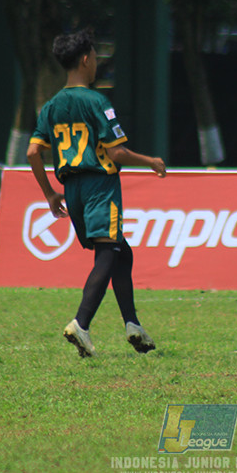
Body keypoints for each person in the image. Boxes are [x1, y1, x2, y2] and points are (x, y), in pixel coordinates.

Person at [26, 28, 167, 358]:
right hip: (99, 186)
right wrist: (151, 162)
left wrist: (49, 193)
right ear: (86, 59)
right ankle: (81, 324)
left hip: (70, 189)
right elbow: (117, 153)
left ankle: (133, 325)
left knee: (121, 252)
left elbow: (33, 153)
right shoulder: (97, 101)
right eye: (96, 56)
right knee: (107, 253)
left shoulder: (51, 106)